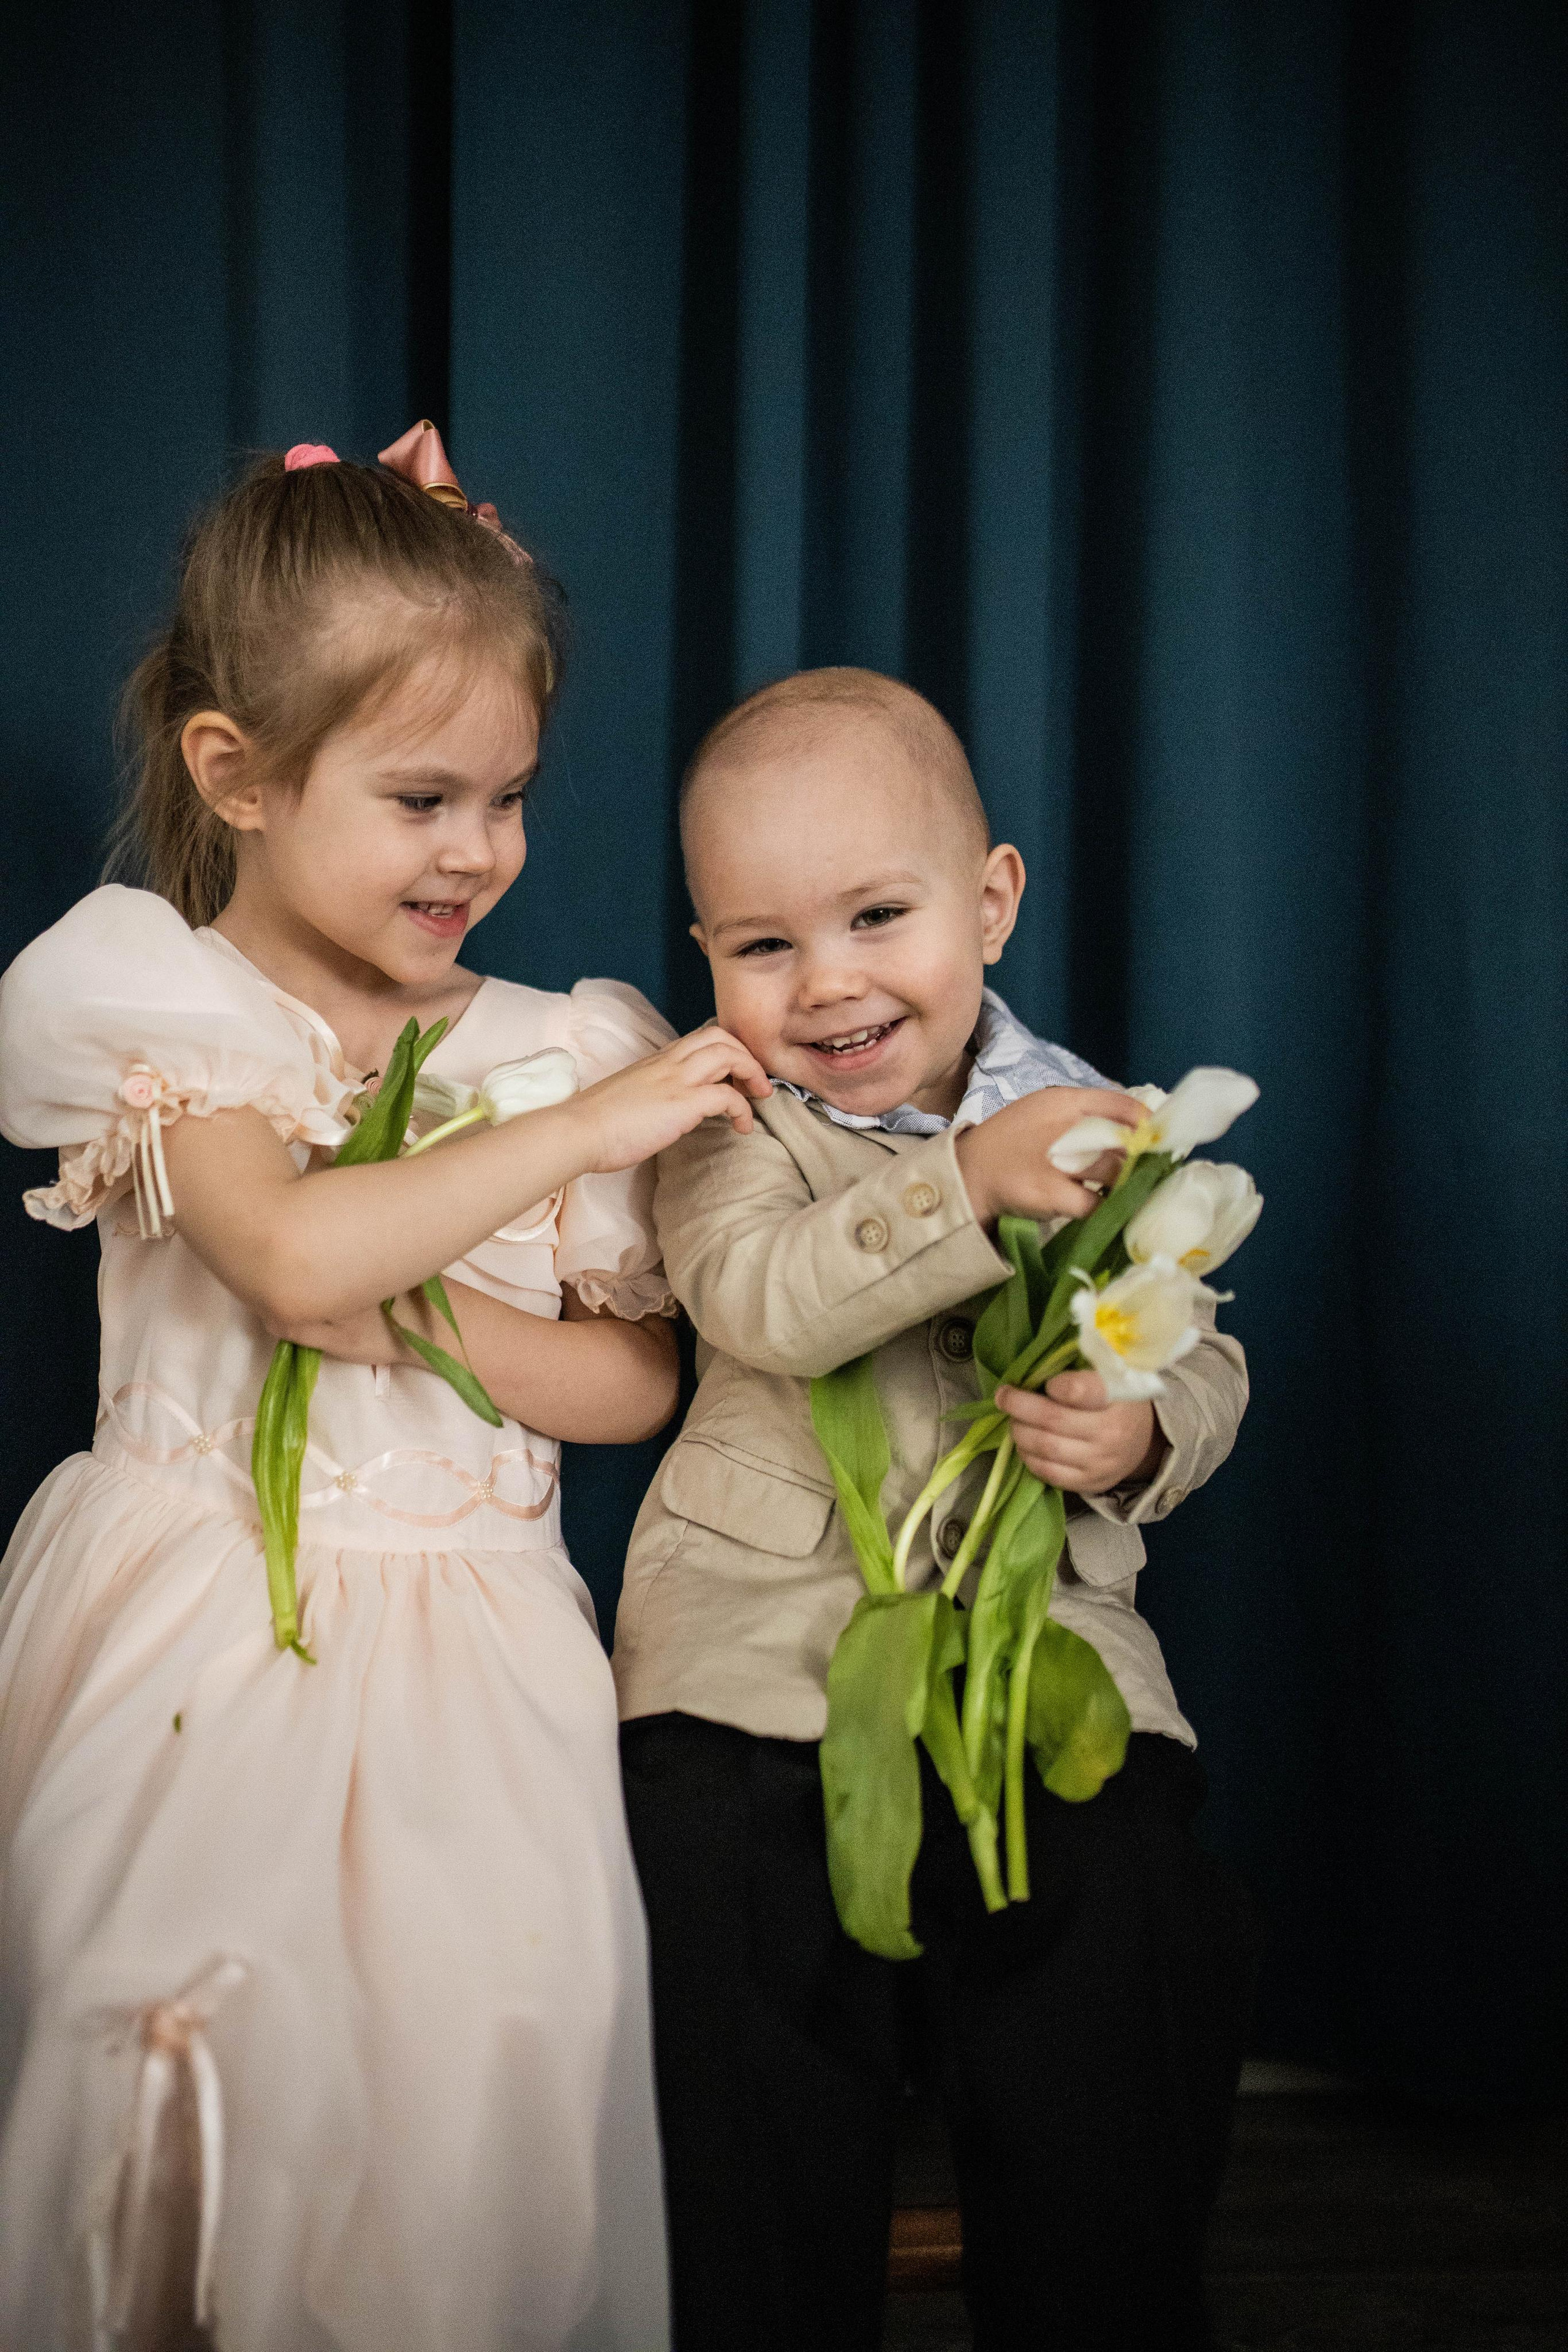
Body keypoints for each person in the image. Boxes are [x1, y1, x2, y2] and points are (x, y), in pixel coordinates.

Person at [0, 429, 769, 2352]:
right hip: (194, 1626)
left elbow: (630, 1382)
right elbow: (294, 1261)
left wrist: (439, 1323)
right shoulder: (151, 998)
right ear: (234, 777)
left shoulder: (555, 1037)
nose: (479, 853)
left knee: (458, 2108)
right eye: (421, 796)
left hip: (472, 1661)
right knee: (178, 2080)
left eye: (509, 798)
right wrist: (585, 1131)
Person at [616, 667, 1259, 2351]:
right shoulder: (723, 1121)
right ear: (709, 965)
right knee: (734, 2038)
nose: (825, 984)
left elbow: (1201, 1349)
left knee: (1118, 1979)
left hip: (1038, 1651)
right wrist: (966, 1185)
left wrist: (1139, 1436)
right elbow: (760, 1296)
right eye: (762, 947)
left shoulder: (1100, 1125)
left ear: (989, 904)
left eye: (877, 917)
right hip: (753, 1664)